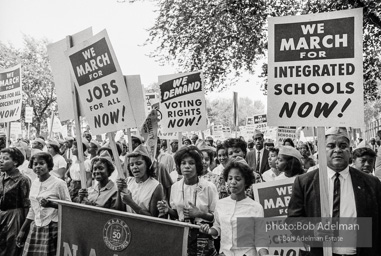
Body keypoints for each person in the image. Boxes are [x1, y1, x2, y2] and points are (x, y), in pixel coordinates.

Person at [287, 127, 381, 256]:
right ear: (322, 150)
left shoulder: (371, 183)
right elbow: (292, 221)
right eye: (331, 146)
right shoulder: (305, 182)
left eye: (343, 146)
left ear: (350, 151)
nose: (337, 150)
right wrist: (312, 232)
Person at [199, 157, 269, 256]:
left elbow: (260, 237)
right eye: (230, 178)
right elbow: (218, 228)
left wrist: (264, 254)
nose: (233, 182)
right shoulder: (220, 204)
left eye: (238, 179)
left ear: (246, 181)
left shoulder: (256, 207)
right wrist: (209, 230)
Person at [157, 146, 218, 256]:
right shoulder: (175, 187)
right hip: (182, 236)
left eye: (191, 163)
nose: (187, 166)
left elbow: (216, 217)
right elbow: (177, 214)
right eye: (183, 163)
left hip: (203, 237)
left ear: (198, 166)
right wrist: (168, 210)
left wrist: (200, 214)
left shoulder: (209, 187)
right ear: (179, 166)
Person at [17, 152, 71, 256]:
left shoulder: (59, 183)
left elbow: (69, 208)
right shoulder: (34, 183)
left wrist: (51, 204)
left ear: (49, 165)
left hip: (53, 228)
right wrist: (23, 230)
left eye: (41, 163)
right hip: (36, 228)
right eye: (35, 164)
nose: (38, 166)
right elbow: (33, 210)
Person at [116, 145, 164, 217]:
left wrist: (131, 203)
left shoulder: (156, 186)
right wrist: (119, 190)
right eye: (131, 164)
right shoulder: (128, 181)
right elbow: (119, 210)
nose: (135, 167)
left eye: (139, 163)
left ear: (147, 165)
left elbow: (154, 219)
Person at [0, 147, 31, 256]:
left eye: (5, 158)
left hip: (15, 217)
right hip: (1, 215)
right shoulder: (1, 177)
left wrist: (24, 229)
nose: (1, 161)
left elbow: (27, 205)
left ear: (15, 162)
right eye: (0, 158)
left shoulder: (23, 180)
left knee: (11, 246)